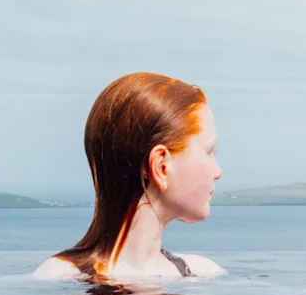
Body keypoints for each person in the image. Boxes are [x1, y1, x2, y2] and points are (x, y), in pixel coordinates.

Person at [34, 72, 224, 281]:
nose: (218, 172)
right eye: (210, 152)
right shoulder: (199, 276)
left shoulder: (58, 278)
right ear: (161, 165)